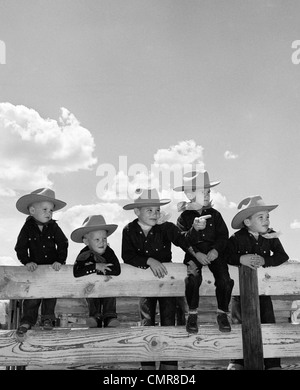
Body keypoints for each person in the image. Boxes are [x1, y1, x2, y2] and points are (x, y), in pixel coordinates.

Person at [122, 187, 197, 371]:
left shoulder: (166, 228)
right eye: (149, 210)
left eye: (157, 210)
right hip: (145, 284)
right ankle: (147, 365)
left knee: (169, 319)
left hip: (167, 282)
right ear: (137, 211)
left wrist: (195, 232)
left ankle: (169, 365)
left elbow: (183, 240)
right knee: (147, 320)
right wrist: (149, 260)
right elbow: (127, 256)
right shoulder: (129, 230)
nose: (155, 214)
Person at [225, 195, 289, 370]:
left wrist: (264, 261)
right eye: (260, 217)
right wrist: (241, 259)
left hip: (263, 292)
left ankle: (272, 363)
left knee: (268, 323)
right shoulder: (236, 238)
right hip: (240, 294)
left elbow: (283, 256)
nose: (266, 221)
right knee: (239, 324)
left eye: (267, 217)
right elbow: (226, 256)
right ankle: (237, 362)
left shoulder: (270, 236)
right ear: (247, 221)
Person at [173, 170, 234, 334]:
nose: (207, 194)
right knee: (192, 278)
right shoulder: (184, 217)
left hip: (215, 253)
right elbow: (182, 240)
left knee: (225, 280)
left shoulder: (215, 215)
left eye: (208, 191)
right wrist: (195, 242)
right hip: (195, 253)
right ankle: (192, 314)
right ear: (190, 194)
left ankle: (222, 313)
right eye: (202, 191)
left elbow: (223, 236)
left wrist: (216, 250)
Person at [14, 188, 68, 339]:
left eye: (51, 210)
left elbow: (63, 242)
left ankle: (48, 319)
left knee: (50, 294)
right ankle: (27, 321)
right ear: (32, 210)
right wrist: (26, 261)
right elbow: (20, 246)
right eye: (44, 209)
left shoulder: (54, 227)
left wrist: (60, 260)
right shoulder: (27, 227)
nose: (48, 213)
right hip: (35, 268)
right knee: (32, 295)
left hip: (51, 267)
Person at [71, 214, 121, 328]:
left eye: (104, 239)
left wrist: (102, 273)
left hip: (107, 287)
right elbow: (76, 271)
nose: (102, 242)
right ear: (86, 241)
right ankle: (94, 316)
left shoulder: (109, 252)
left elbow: (117, 269)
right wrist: (96, 267)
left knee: (109, 289)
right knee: (91, 289)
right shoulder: (83, 254)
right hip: (91, 288)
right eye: (97, 239)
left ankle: (110, 316)